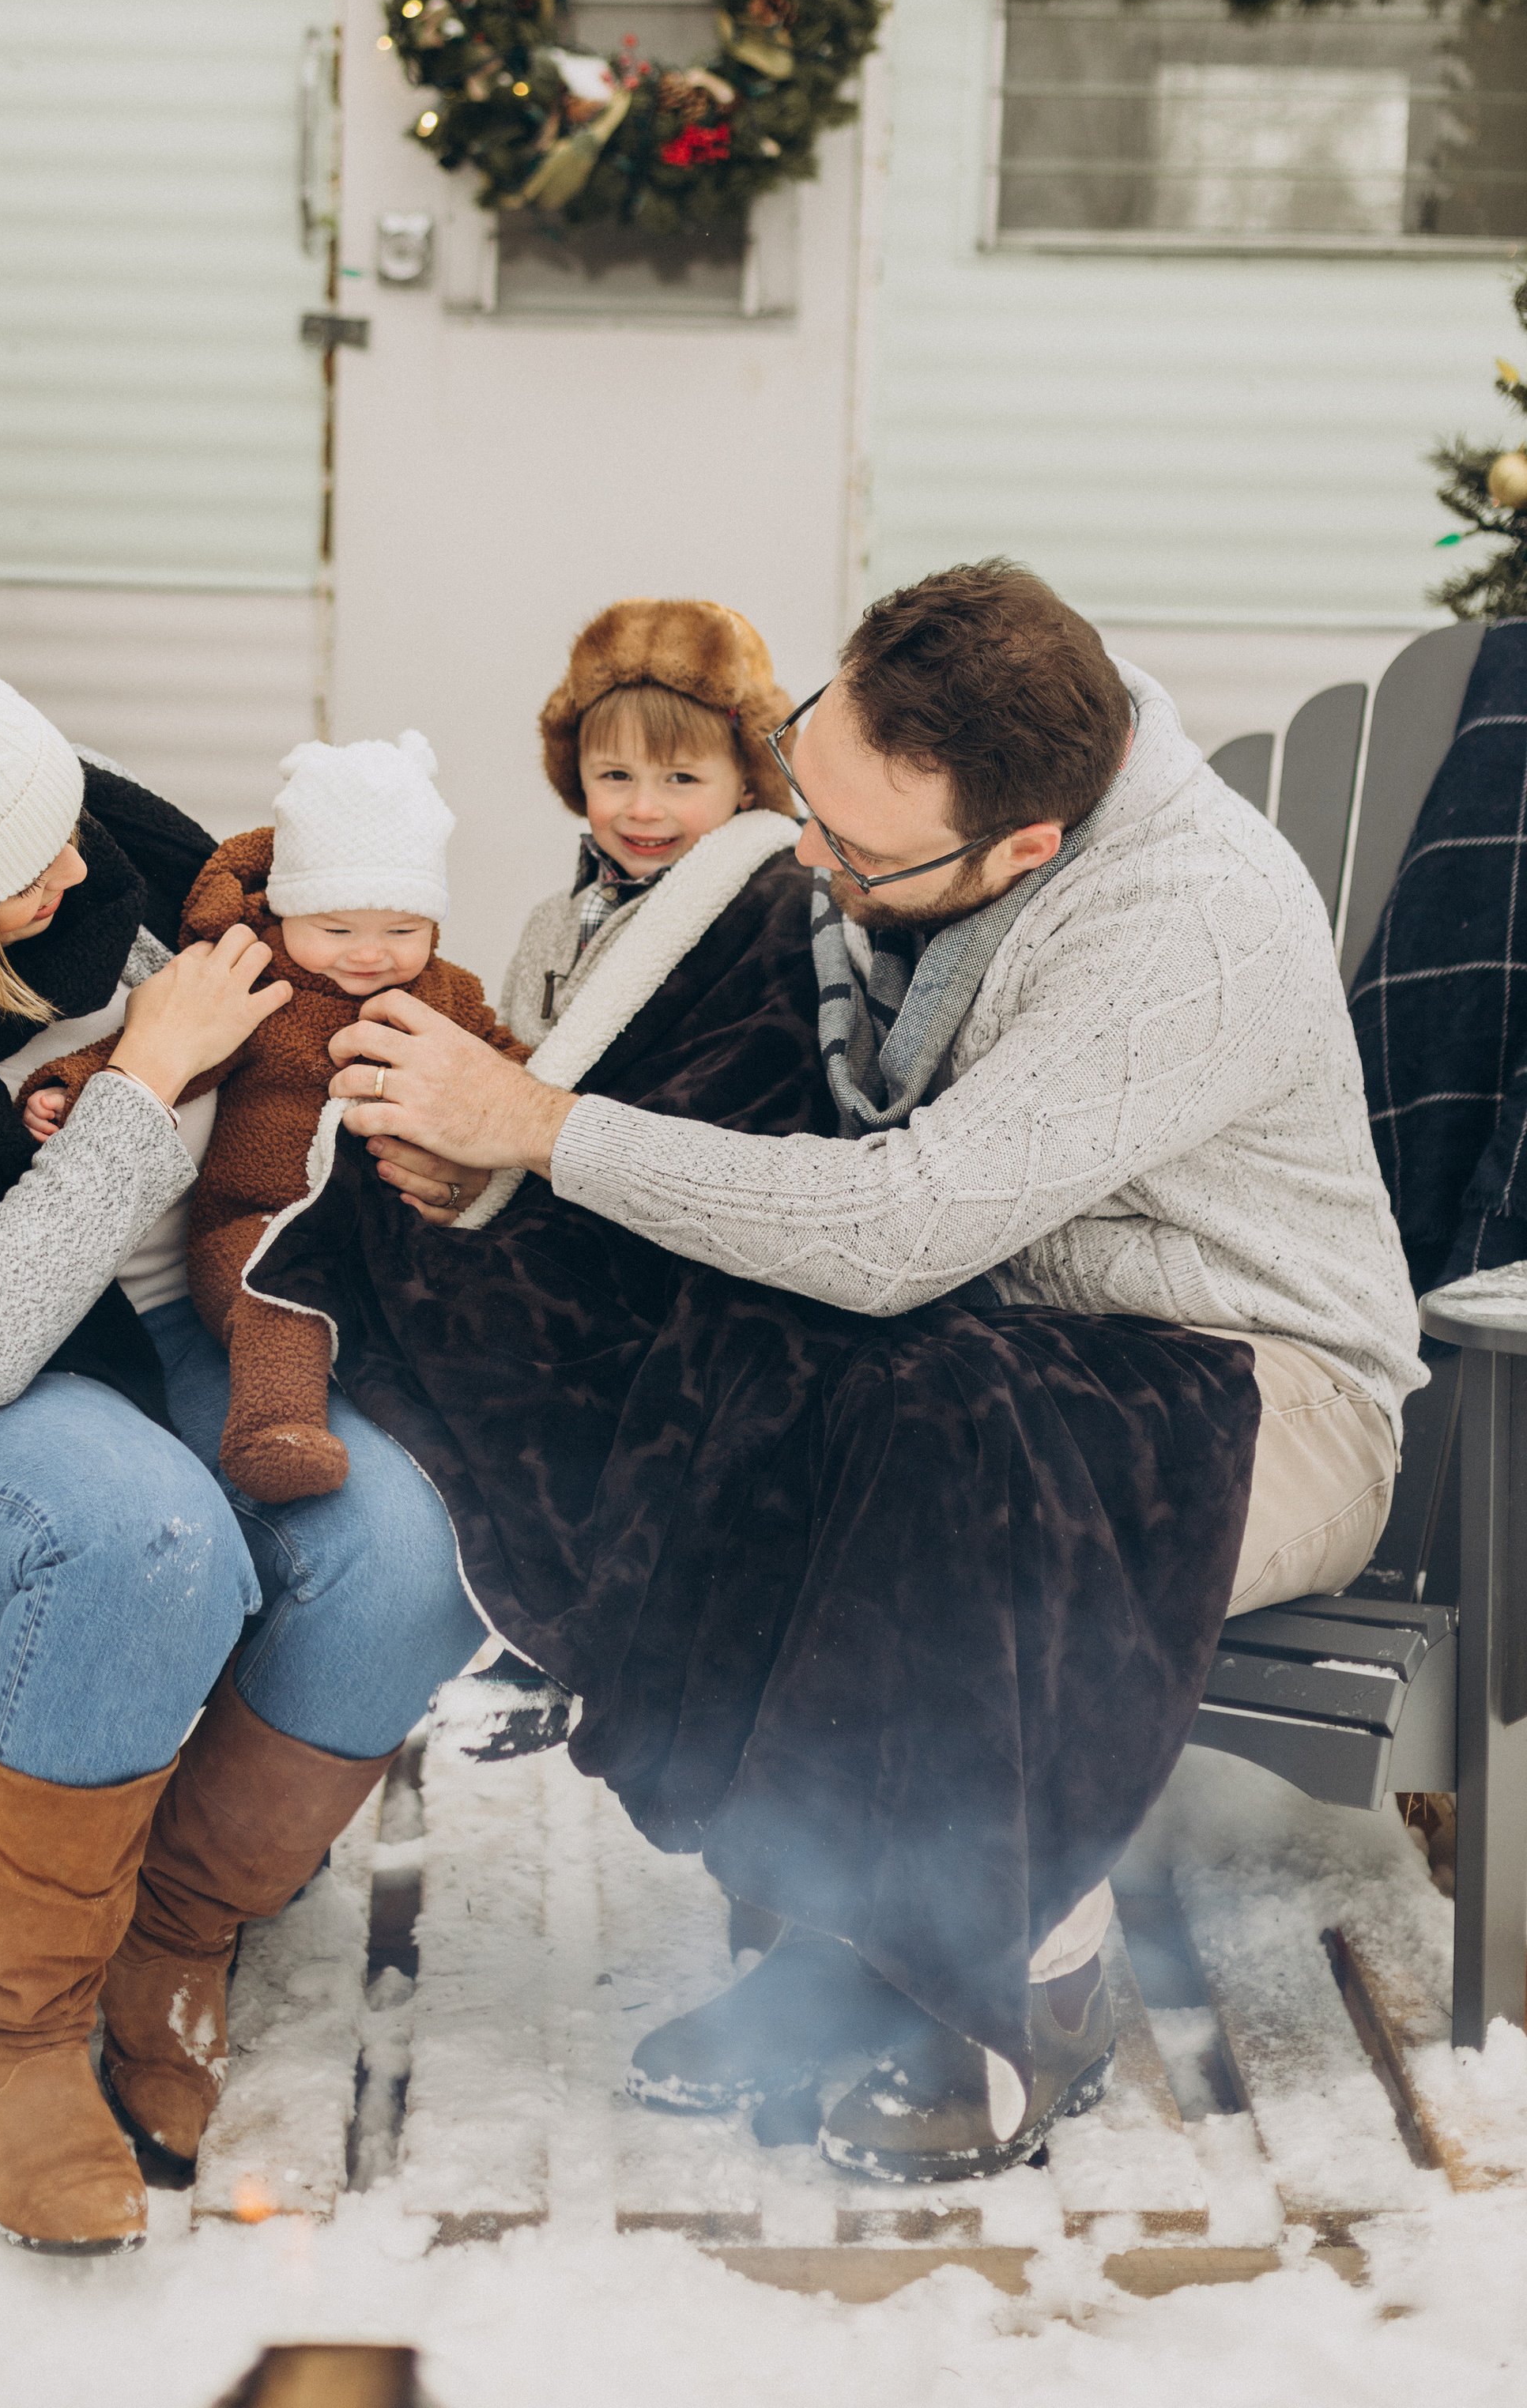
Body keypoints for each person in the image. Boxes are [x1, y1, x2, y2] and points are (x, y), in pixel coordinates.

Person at [320, 559, 1423, 2182]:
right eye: (801, 780)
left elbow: (898, 1231)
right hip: (1004, 1324)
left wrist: (542, 1130)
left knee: (929, 1421)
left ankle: (1004, 1979)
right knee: (733, 1357)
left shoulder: (1181, 928)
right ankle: (851, 1914)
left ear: (1022, 851)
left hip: (1255, 1387)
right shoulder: (942, 789)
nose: (808, 863)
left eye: (848, 850)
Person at [0, 566, 483, 2255]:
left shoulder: (116, 857)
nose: (81, 875)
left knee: (405, 1551)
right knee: (144, 1538)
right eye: (27, 875)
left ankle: (172, 1939)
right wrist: (136, 1086)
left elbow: (264, 1112)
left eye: (61, 826)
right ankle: (15, 2043)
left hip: (191, 1319)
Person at [18, 731, 528, 1503]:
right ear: (286, 911)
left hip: (397, 1232)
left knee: (489, 1300)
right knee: (279, 1292)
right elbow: (169, 1052)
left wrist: (536, 1108)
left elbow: (509, 1071)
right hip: (255, 1221)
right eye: (336, 929)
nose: (369, 955)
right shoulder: (256, 984)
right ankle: (274, 1431)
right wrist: (73, 1083)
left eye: (401, 931)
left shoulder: (446, 995)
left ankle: (503, 1450)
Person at [497, 598, 791, 1046]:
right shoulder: (552, 921)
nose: (643, 809)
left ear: (748, 784)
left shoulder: (764, 919)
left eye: (681, 778)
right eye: (616, 775)